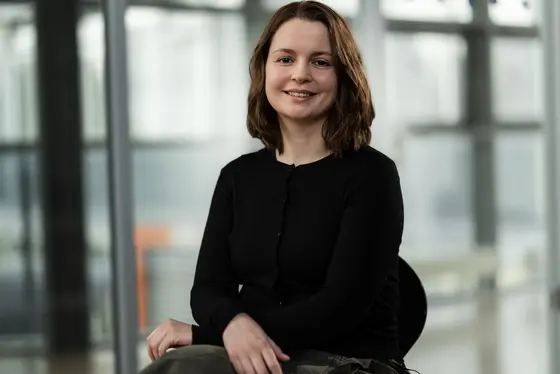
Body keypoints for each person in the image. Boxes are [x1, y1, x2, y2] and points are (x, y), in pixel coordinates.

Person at [141, 1, 409, 373]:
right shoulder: (237, 176)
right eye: (285, 59)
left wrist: (209, 336)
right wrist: (233, 326)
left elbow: (340, 308)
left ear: (344, 75)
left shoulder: (373, 175)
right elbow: (207, 290)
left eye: (321, 61)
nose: (300, 74)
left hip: (346, 361)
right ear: (264, 69)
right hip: (255, 358)